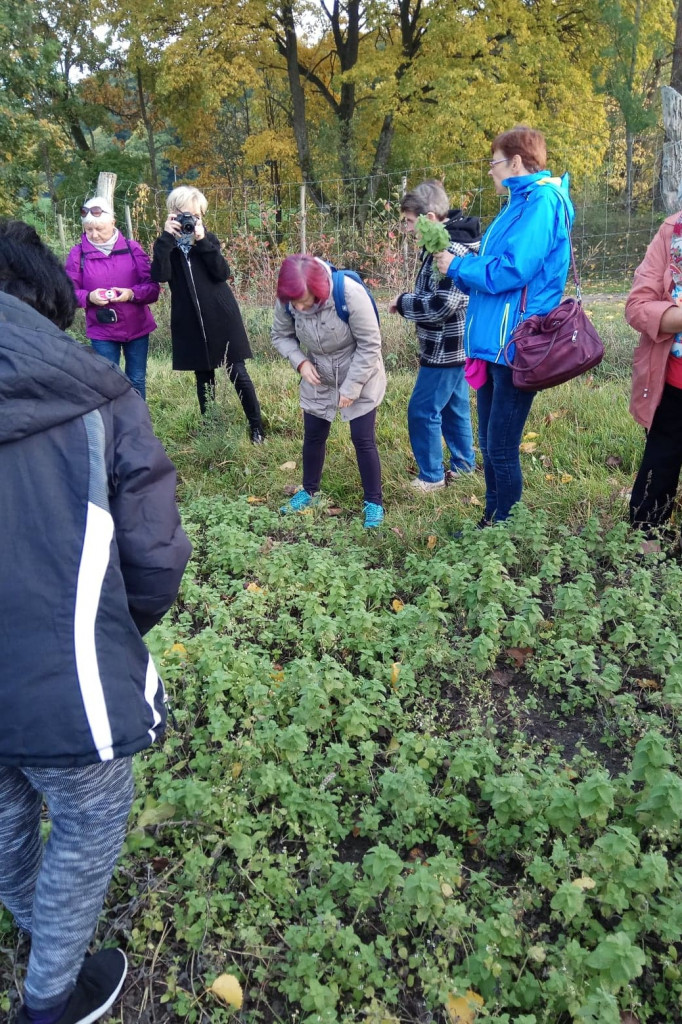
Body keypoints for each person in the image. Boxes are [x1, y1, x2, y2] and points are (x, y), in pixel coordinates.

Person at [0, 219, 192, 1024]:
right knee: (89, 812)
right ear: (50, 296)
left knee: (6, 808)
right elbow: (154, 556)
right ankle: (50, 998)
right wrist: (110, 631)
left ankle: (40, 926)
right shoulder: (99, 398)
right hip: (65, 673)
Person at [435, 126, 573, 524]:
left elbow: (514, 269)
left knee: (501, 446)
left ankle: (505, 527)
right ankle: (492, 519)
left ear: (515, 162)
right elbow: (501, 259)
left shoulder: (542, 202)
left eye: (494, 162)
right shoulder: (518, 203)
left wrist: (459, 267)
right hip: (494, 341)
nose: (491, 170)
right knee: (491, 443)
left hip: (517, 344)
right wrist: (464, 260)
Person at [271, 254, 386, 528]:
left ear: (319, 290)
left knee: (362, 438)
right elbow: (280, 335)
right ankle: (309, 491)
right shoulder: (288, 298)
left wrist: (352, 386)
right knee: (313, 434)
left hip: (359, 367)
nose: (298, 306)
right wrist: (300, 362)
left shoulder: (348, 293)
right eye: (293, 302)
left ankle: (374, 502)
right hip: (318, 372)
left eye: (304, 300)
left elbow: (371, 344)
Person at [150, 186, 265, 441]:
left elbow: (222, 273)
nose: (189, 220)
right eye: (183, 215)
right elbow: (160, 275)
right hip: (189, 318)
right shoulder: (166, 245)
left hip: (222, 316)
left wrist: (202, 241)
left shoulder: (209, 240)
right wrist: (166, 240)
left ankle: (256, 426)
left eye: (195, 215)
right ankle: (211, 426)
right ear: (172, 214)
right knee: (203, 376)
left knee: (237, 371)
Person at [389, 179, 481, 490]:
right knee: (455, 407)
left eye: (410, 222)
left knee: (422, 410)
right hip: (450, 347)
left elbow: (444, 305)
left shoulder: (450, 250)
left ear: (429, 219)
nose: (408, 229)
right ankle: (464, 466)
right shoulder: (438, 246)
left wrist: (403, 303)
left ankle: (431, 477)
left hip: (446, 348)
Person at [64, 195, 160, 400]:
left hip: (137, 327)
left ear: (113, 223)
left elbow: (152, 288)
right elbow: (68, 292)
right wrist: (89, 297)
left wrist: (131, 294)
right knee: (107, 381)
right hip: (102, 330)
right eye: (89, 229)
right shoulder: (77, 254)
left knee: (136, 379)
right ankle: (113, 424)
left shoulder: (133, 249)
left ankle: (137, 423)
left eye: (100, 229)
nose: (94, 234)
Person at [626, 209, 682, 532]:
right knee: (657, 474)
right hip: (672, 385)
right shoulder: (671, 231)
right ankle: (644, 551)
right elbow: (636, 306)